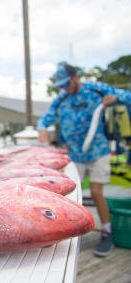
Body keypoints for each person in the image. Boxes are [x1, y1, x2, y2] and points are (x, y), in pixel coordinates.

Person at [37, 62, 131, 257]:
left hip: (98, 151)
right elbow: (44, 120)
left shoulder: (96, 89)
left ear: (76, 77)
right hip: (74, 156)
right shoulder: (61, 99)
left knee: (97, 192)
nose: (64, 88)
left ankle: (106, 232)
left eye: (66, 84)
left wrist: (115, 100)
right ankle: (65, 232)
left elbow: (127, 97)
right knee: (69, 196)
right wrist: (43, 130)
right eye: (61, 85)